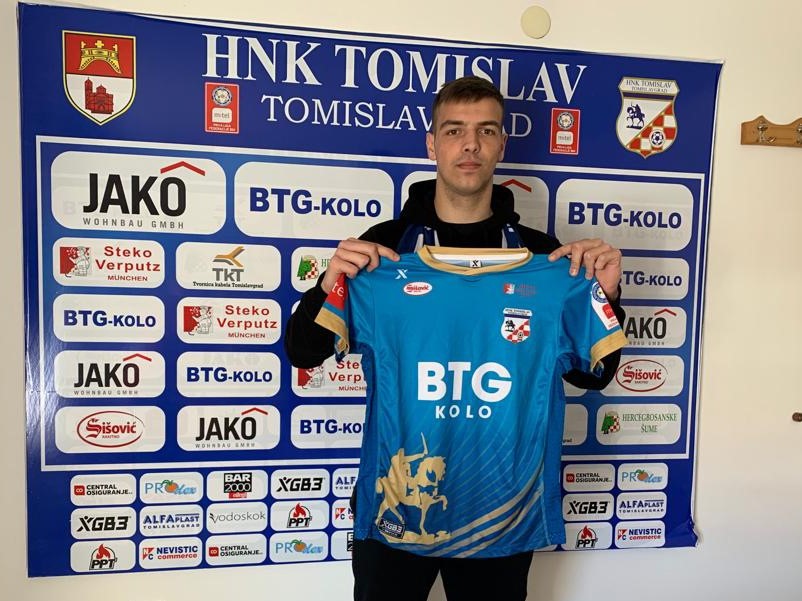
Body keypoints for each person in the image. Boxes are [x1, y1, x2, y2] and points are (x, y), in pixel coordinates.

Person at [284, 76, 625, 601]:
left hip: (501, 511)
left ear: (501, 144)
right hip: (394, 504)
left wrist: (605, 296)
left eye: (486, 131)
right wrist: (329, 284)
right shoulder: (383, 251)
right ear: (432, 143)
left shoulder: (548, 259)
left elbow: (593, 374)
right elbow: (302, 351)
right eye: (454, 130)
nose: (470, 145)